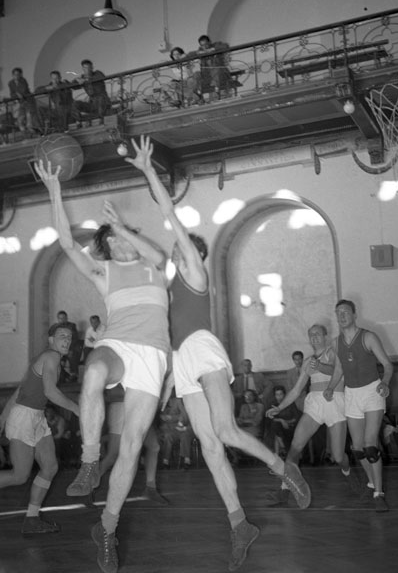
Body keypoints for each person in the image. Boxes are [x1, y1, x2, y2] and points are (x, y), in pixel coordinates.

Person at [123, 134, 311, 573]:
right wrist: (164, 391)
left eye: (182, 245)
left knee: (225, 431)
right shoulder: (170, 290)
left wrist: (148, 170)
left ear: (193, 252)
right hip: (183, 361)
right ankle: (239, 524)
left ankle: (283, 467)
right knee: (209, 446)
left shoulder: (194, 272)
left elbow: (170, 217)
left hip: (204, 350)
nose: (175, 247)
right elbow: (171, 350)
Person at [35, 159, 170, 573]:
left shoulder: (153, 265)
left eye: (122, 236)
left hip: (152, 355)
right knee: (93, 371)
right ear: (108, 248)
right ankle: (90, 461)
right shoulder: (104, 272)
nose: (119, 242)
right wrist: (54, 188)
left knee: (131, 446)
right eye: (111, 239)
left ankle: (107, 529)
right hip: (118, 345)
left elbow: (158, 252)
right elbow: (65, 241)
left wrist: (122, 227)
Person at [0, 324, 79, 535]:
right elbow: (51, 393)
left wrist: (2, 419)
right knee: (20, 475)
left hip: (37, 416)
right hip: (24, 417)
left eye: (69, 337)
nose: (67, 340)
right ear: (51, 339)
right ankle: (31, 519)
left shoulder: (47, 359)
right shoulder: (51, 356)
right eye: (62, 336)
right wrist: (76, 408)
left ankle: (32, 519)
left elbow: (20, 390)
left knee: (50, 466)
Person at [266, 324, 357, 506]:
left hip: (335, 402)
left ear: (325, 335)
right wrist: (279, 407)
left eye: (317, 333)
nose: (314, 337)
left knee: (339, 456)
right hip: (314, 404)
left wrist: (320, 366)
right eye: (311, 334)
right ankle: (284, 489)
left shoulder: (334, 352)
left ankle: (348, 472)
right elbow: (296, 390)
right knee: (295, 447)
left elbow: (338, 371)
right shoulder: (308, 362)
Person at [324, 299, 394, 512]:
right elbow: (339, 369)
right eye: (338, 312)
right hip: (352, 394)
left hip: (372, 391)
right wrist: (330, 387)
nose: (341, 315)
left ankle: (379, 494)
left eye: (345, 311)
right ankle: (372, 482)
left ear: (354, 315)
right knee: (357, 449)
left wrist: (385, 383)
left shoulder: (368, 337)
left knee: (370, 445)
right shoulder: (336, 343)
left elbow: (387, 365)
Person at [99, 385, 168, 506]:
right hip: (121, 406)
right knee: (113, 455)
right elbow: (111, 393)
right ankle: (88, 486)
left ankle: (150, 488)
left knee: (154, 446)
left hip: (141, 408)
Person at [159, 391, 195, 470]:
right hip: (167, 429)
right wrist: (162, 418)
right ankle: (165, 461)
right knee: (167, 436)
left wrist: (171, 418)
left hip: (180, 426)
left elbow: (184, 415)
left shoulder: (177, 401)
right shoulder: (159, 402)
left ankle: (187, 460)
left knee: (185, 435)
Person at [194, 34, 233, 100]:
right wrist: (198, 53)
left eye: (206, 44)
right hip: (208, 76)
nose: (204, 47)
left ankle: (217, 93)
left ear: (210, 42)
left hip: (220, 72)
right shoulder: (200, 50)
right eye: (202, 45)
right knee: (196, 74)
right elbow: (191, 54)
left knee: (215, 71)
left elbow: (226, 46)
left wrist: (213, 49)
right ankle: (198, 96)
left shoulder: (216, 45)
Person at [264, 385, 299, 457]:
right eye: (277, 394)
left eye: (281, 394)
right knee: (275, 426)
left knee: (276, 431)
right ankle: (283, 448)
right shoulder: (273, 404)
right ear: (275, 395)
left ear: (284, 394)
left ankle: (279, 453)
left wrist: (287, 422)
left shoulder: (290, 403)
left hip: (291, 426)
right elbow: (270, 418)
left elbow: (296, 418)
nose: (279, 396)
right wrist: (282, 420)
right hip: (279, 427)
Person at [8, 67, 41, 135]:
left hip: (29, 102)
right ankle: (25, 133)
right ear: (12, 75)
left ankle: (36, 132)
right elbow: (12, 94)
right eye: (15, 74)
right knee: (20, 120)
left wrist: (17, 93)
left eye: (18, 74)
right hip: (21, 103)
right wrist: (17, 94)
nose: (16, 76)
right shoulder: (11, 83)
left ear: (20, 75)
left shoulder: (23, 81)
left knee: (30, 119)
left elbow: (23, 91)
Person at [49, 310, 80, 378]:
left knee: (72, 355)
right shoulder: (54, 327)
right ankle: (59, 376)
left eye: (64, 318)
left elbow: (75, 339)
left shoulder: (72, 326)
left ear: (66, 318)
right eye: (60, 318)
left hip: (70, 348)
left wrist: (68, 349)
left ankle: (74, 375)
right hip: (59, 349)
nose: (62, 320)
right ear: (58, 319)